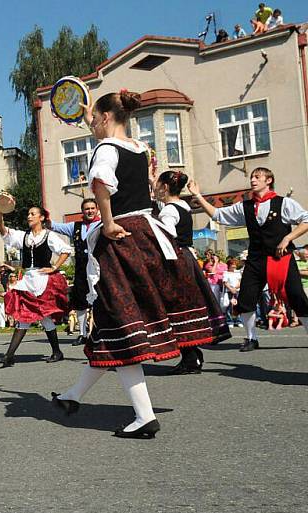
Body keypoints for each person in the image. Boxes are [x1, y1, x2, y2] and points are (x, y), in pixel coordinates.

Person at [52, 90, 228, 439]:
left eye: (94, 121)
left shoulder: (105, 149)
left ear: (104, 118)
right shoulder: (139, 147)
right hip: (148, 233)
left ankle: (144, 416)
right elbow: (109, 140)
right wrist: (90, 113)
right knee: (109, 330)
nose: (92, 127)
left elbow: (101, 181)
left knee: (121, 324)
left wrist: (106, 221)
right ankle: (72, 396)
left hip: (121, 236)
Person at [190, 167, 308, 351]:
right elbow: (217, 214)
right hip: (255, 259)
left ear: (268, 181)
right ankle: (251, 338)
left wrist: (288, 238)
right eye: (252, 177)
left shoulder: (284, 203)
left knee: (296, 296)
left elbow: (306, 219)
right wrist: (198, 196)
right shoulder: (245, 206)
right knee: (245, 299)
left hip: (280, 258)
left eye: (257, 177)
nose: (253, 180)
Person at [154, 170, 231, 374]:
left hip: (175, 259)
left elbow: (167, 235)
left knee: (176, 307)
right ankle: (192, 355)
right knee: (185, 306)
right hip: (187, 256)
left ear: (164, 187)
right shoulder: (182, 206)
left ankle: (191, 357)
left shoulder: (169, 211)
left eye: (158, 184)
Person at [0, 206, 70, 366]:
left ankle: (11, 355)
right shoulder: (24, 236)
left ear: (42, 218)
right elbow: (4, 232)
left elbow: (65, 250)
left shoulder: (49, 236)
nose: (29, 216)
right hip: (28, 279)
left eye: (32, 214)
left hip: (42, 280)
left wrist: (55, 267)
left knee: (35, 317)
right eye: (28, 214)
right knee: (34, 317)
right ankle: (12, 355)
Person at [51, 197, 101, 346]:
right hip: (80, 268)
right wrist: (44, 217)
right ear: (82, 211)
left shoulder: (103, 223)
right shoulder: (75, 226)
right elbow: (54, 226)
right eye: (87, 209)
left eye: (92, 208)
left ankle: (100, 332)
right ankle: (82, 334)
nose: (90, 211)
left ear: (97, 209)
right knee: (80, 301)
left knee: (99, 300)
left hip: (98, 267)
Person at [223, 258, 243, 327]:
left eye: (235, 264)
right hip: (229, 291)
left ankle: (238, 321)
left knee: (238, 306)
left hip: (237, 291)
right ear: (229, 265)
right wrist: (231, 289)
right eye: (232, 264)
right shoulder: (226, 273)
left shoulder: (237, 272)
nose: (234, 266)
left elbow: (240, 282)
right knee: (229, 307)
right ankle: (230, 321)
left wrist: (235, 288)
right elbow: (225, 282)